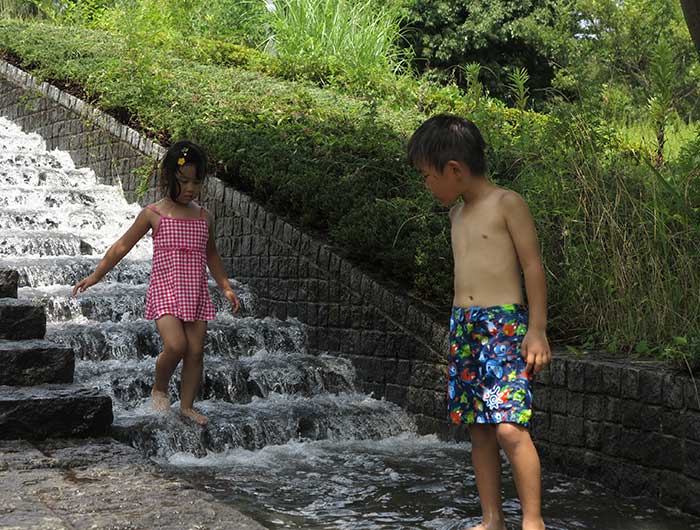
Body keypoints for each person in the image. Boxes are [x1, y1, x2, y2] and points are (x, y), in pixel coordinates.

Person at [408, 114, 551, 530]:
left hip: (504, 326)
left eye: (428, 176)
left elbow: (533, 267)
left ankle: (533, 520)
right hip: (465, 327)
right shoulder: (456, 217)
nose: (426, 184)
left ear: (454, 170)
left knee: (509, 427)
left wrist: (537, 329)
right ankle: (492, 519)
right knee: (479, 429)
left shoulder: (507, 203)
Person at [73, 140, 240, 426]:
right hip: (166, 290)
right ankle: (159, 387)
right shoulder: (154, 213)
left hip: (196, 292)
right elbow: (122, 246)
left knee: (196, 351)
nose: (190, 188)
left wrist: (225, 286)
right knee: (175, 345)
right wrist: (96, 275)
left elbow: (211, 254)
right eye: (183, 181)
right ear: (168, 178)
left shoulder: (204, 217)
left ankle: (187, 406)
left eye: (196, 182)